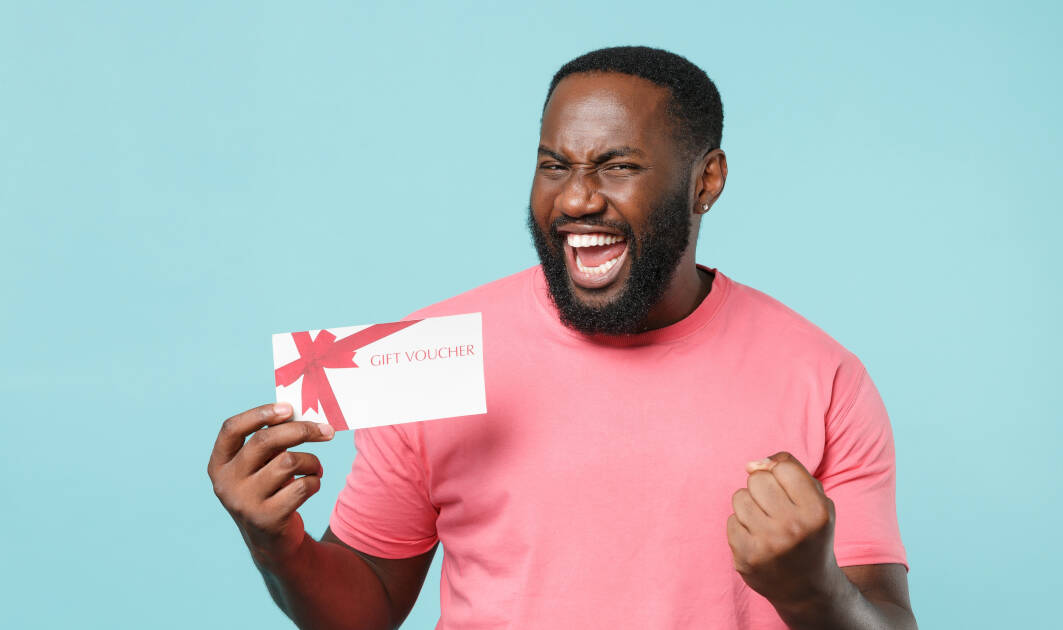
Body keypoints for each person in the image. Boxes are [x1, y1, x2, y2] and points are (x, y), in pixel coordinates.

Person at [208, 46, 917, 630]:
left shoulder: (822, 378)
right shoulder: (427, 355)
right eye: (555, 165)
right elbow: (365, 608)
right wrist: (278, 546)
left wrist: (812, 591)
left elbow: (886, 617)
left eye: (618, 165)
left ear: (707, 181)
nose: (576, 198)